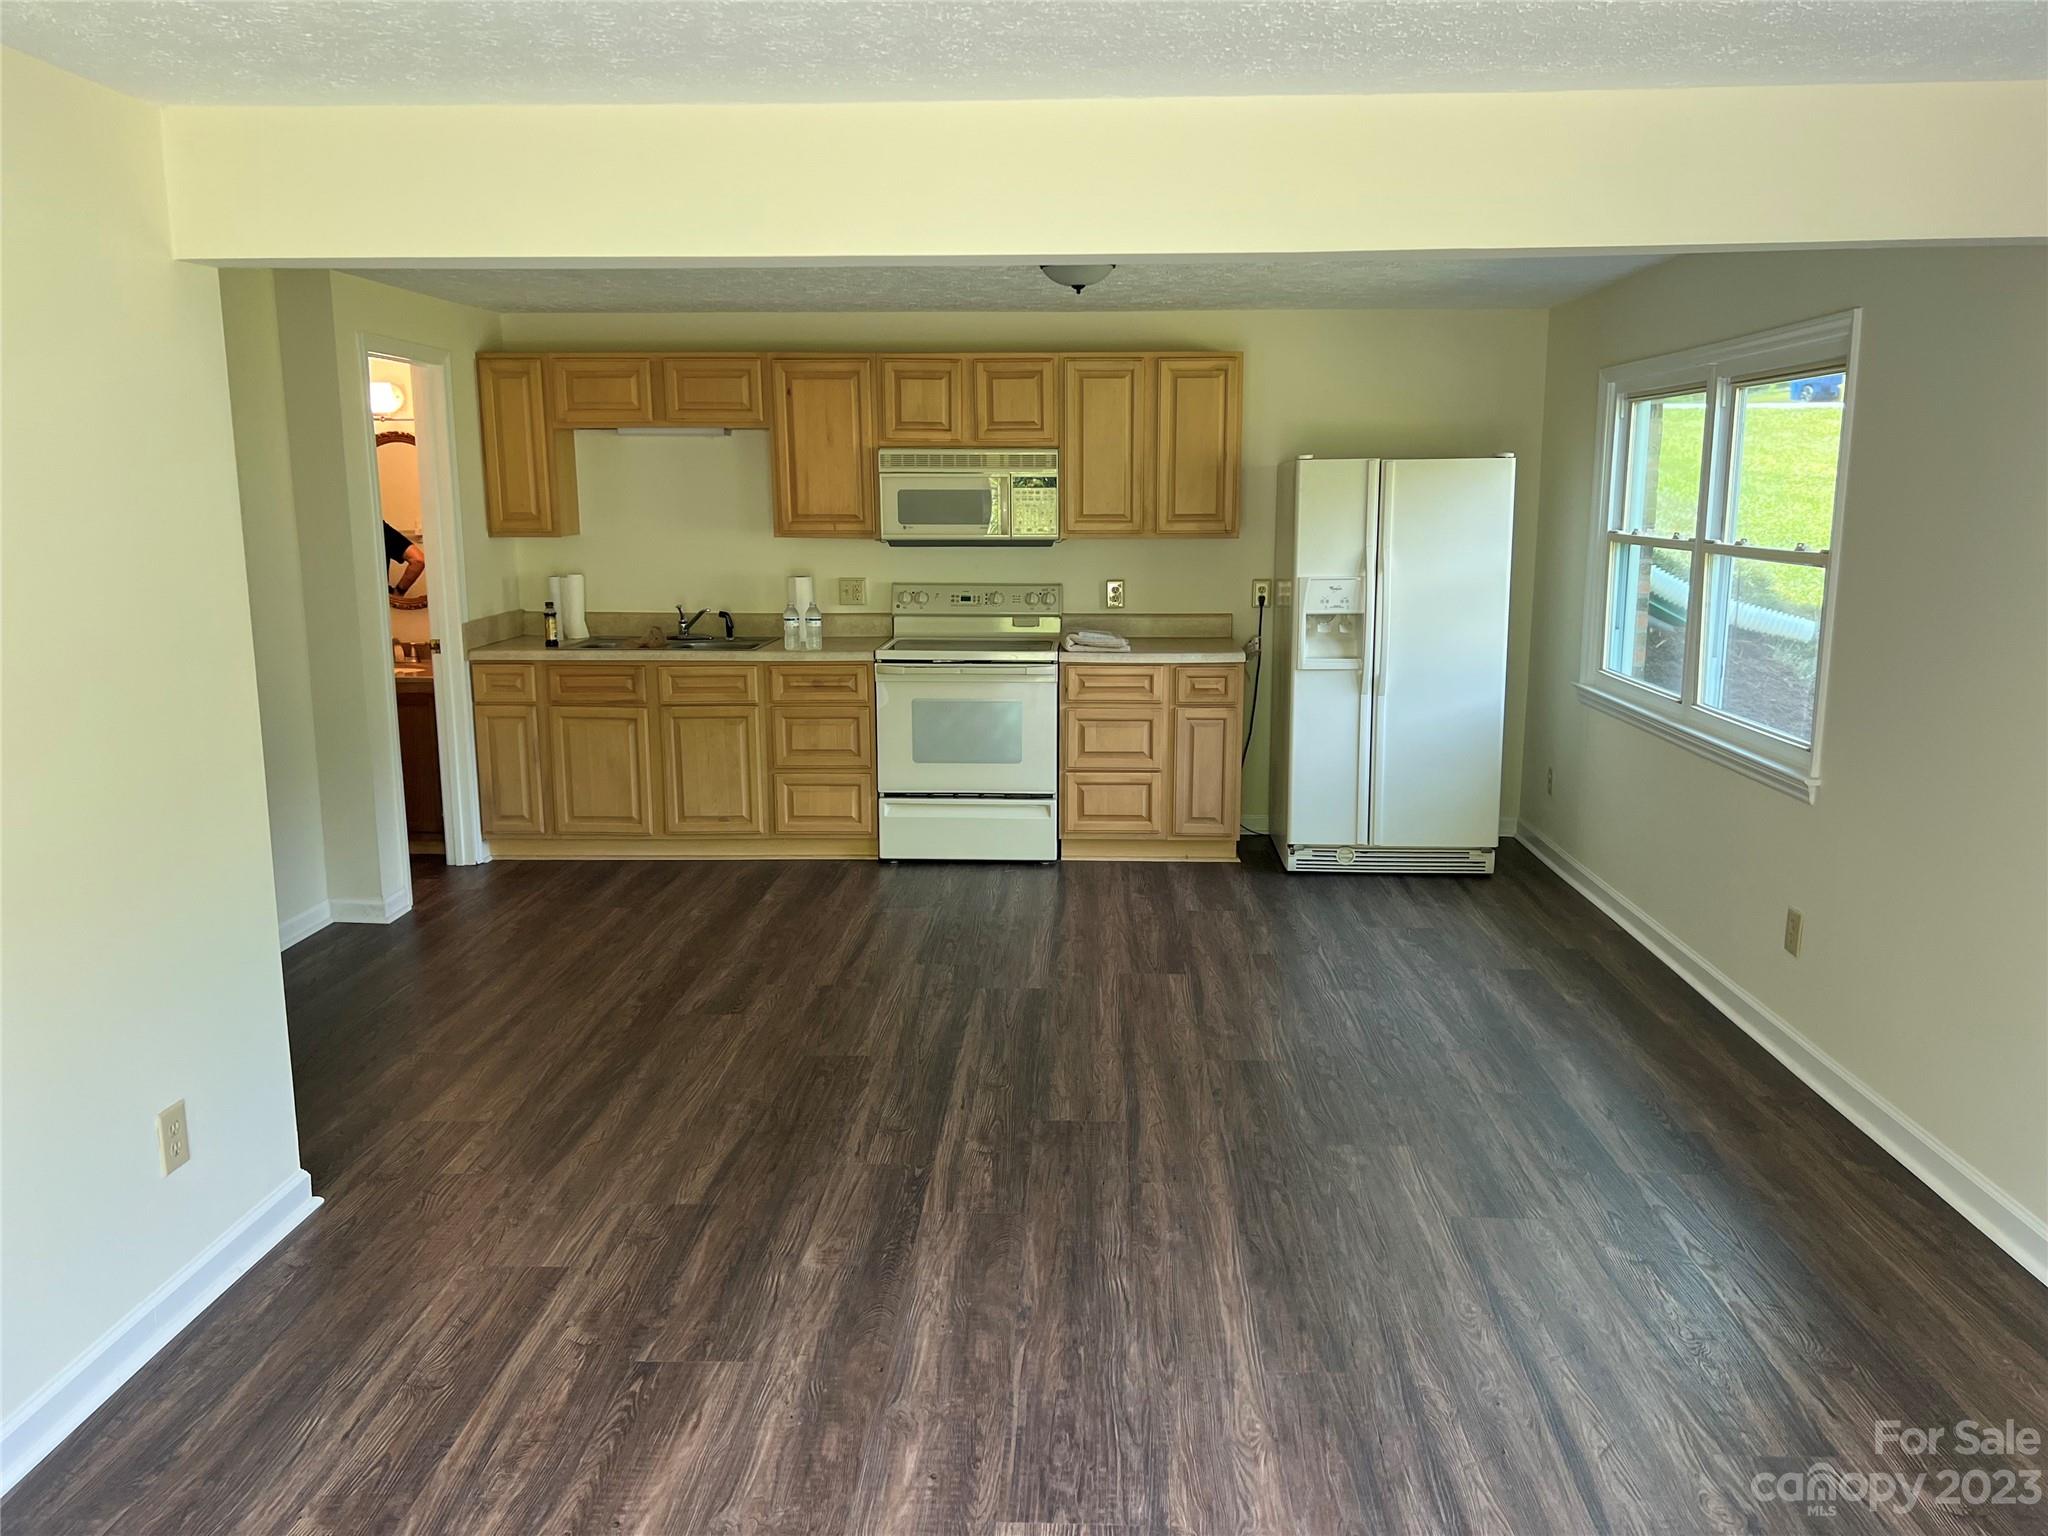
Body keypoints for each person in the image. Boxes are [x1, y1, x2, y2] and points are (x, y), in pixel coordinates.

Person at [383, 521, 425, 596]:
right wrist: (398, 592)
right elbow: (418, 560)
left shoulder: (378, 528)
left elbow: (418, 561)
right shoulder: (378, 528)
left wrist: (397, 593)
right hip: (376, 601)